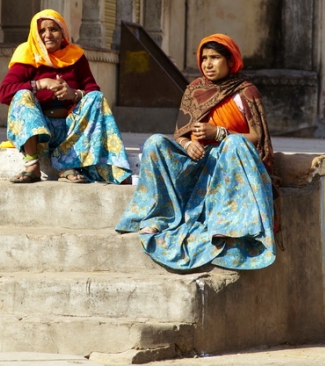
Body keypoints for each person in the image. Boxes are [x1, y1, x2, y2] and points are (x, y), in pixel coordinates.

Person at [116, 34, 279, 271]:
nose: (208, 64)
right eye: (204, 58)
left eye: (215, 58)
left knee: (235, 144)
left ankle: (230, 226)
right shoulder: (195, 89)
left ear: (230, 61)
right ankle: (159, 215)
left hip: (230, 162)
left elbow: (257, 138)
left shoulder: (245, 91)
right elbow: (180, 134)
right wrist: (187, 145)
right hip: (197, 162)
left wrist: (220, 134)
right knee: (155, 143)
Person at [0, 9, 132, 184]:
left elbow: (92, 89)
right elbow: (4, 93)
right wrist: (40, 84)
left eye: (53, 29)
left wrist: (74, 94)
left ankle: (67, 165)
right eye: (42, 31)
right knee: (22, 95)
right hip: (39, 133)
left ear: (63, 33)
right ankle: (31, 165)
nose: (48, 35)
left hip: (70, 131)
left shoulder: (75, 57)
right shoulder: (28, 55)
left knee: (96, 98)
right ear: (35, 35)